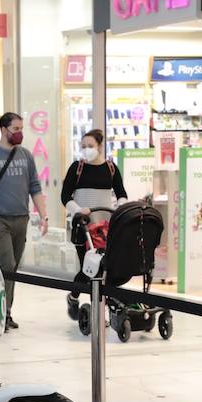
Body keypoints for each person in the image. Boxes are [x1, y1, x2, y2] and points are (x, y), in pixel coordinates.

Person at [0, 112, 49, 330]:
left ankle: (5, 310)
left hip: (21, 218)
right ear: (4, 130)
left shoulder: (25, 155)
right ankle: (1, 314)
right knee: (7, 264)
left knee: (12, 269)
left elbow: (35, 188)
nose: (20, 133)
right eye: (16, 129)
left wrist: (43, 216)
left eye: (22, 129)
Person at [61, 129, 128, 302]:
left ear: (99, 146)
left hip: (106, 227)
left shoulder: (111, 168)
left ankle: (99, 308)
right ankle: (75, 296)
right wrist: (77, 209)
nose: (86, 149)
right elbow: (65, 196)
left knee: (104, 268)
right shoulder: (77, 168)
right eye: (83, 146)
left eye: (90, 146)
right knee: (88, 267)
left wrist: (119, 208)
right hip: (83, 226)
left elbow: (121, 194)